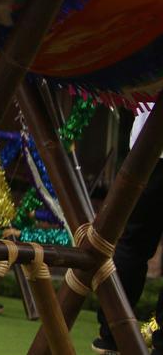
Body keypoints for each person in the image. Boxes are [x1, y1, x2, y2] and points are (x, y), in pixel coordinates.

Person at [93, 102, 162, 355]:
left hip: (149, 148)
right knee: (132, 245)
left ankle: (112, 333)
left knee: (133, 244)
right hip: (150, 146)